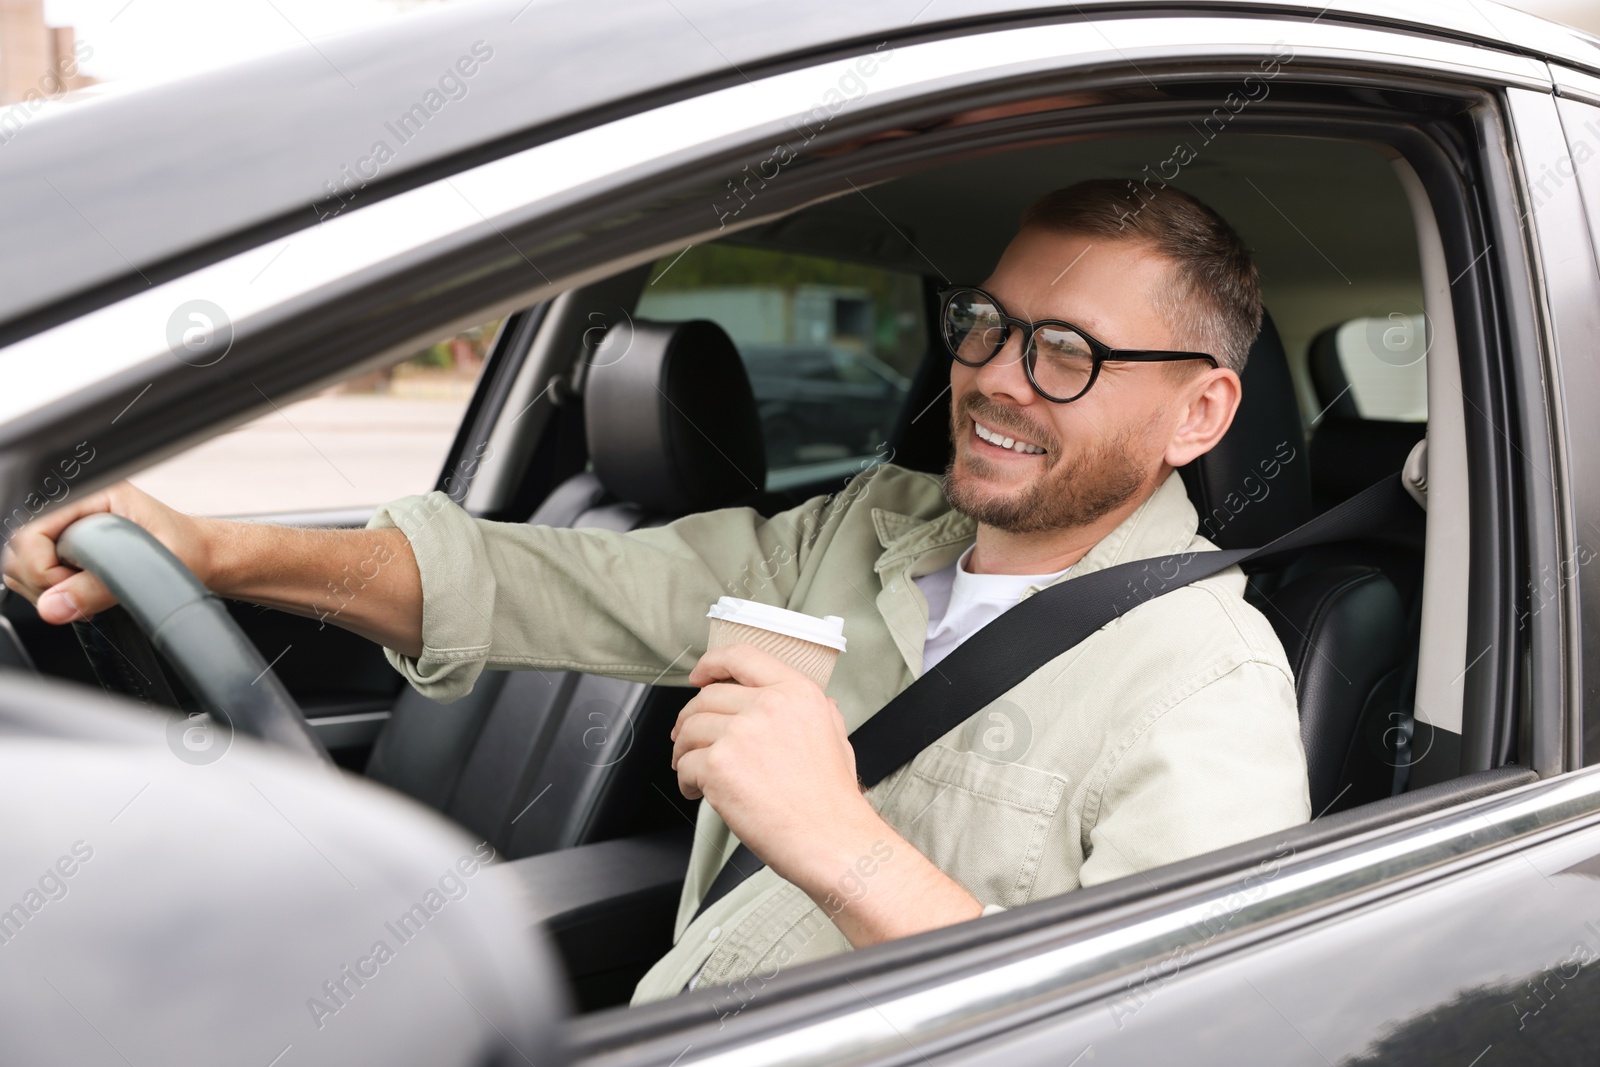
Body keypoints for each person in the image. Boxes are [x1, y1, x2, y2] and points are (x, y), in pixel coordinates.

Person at [1, 179, 1310, 1006]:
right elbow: (539, 583)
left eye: (1068, 352)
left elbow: (1181, 1034)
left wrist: (833, 835)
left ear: (1201, 411)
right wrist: (223, 553)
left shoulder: (1209, 690)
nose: (998, 377)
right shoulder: (862, 532)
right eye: (986, 323)